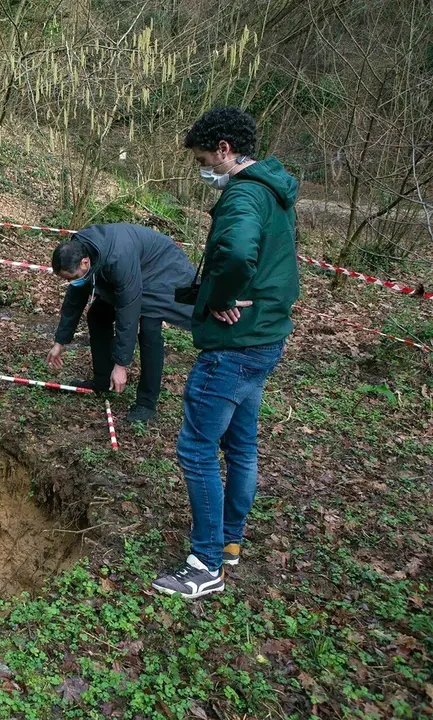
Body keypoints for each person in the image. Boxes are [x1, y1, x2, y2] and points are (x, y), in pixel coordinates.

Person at [152, 107, 299, 599]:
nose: (203, 169)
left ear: (224, 150)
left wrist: (217, 299)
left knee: (196, 450)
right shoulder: (274, 193)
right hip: (265, 340)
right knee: (240, 445)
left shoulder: (243, 195)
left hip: (233, 348)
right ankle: (231, 542)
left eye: (202, 159)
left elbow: (237, 253)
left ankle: (205, 564)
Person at [46, 224, 196, 424]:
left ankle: (146, 402)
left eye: (72, 278)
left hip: (161, 270)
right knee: (98, 315)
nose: (71, 282)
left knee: (149, 329)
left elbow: (128, 309)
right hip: (134, 266)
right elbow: (75, 296)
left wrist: (121, 364)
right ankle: (102, 380)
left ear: (84, 262)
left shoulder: (118, 258)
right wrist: (60, 341)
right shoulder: (81, 248)